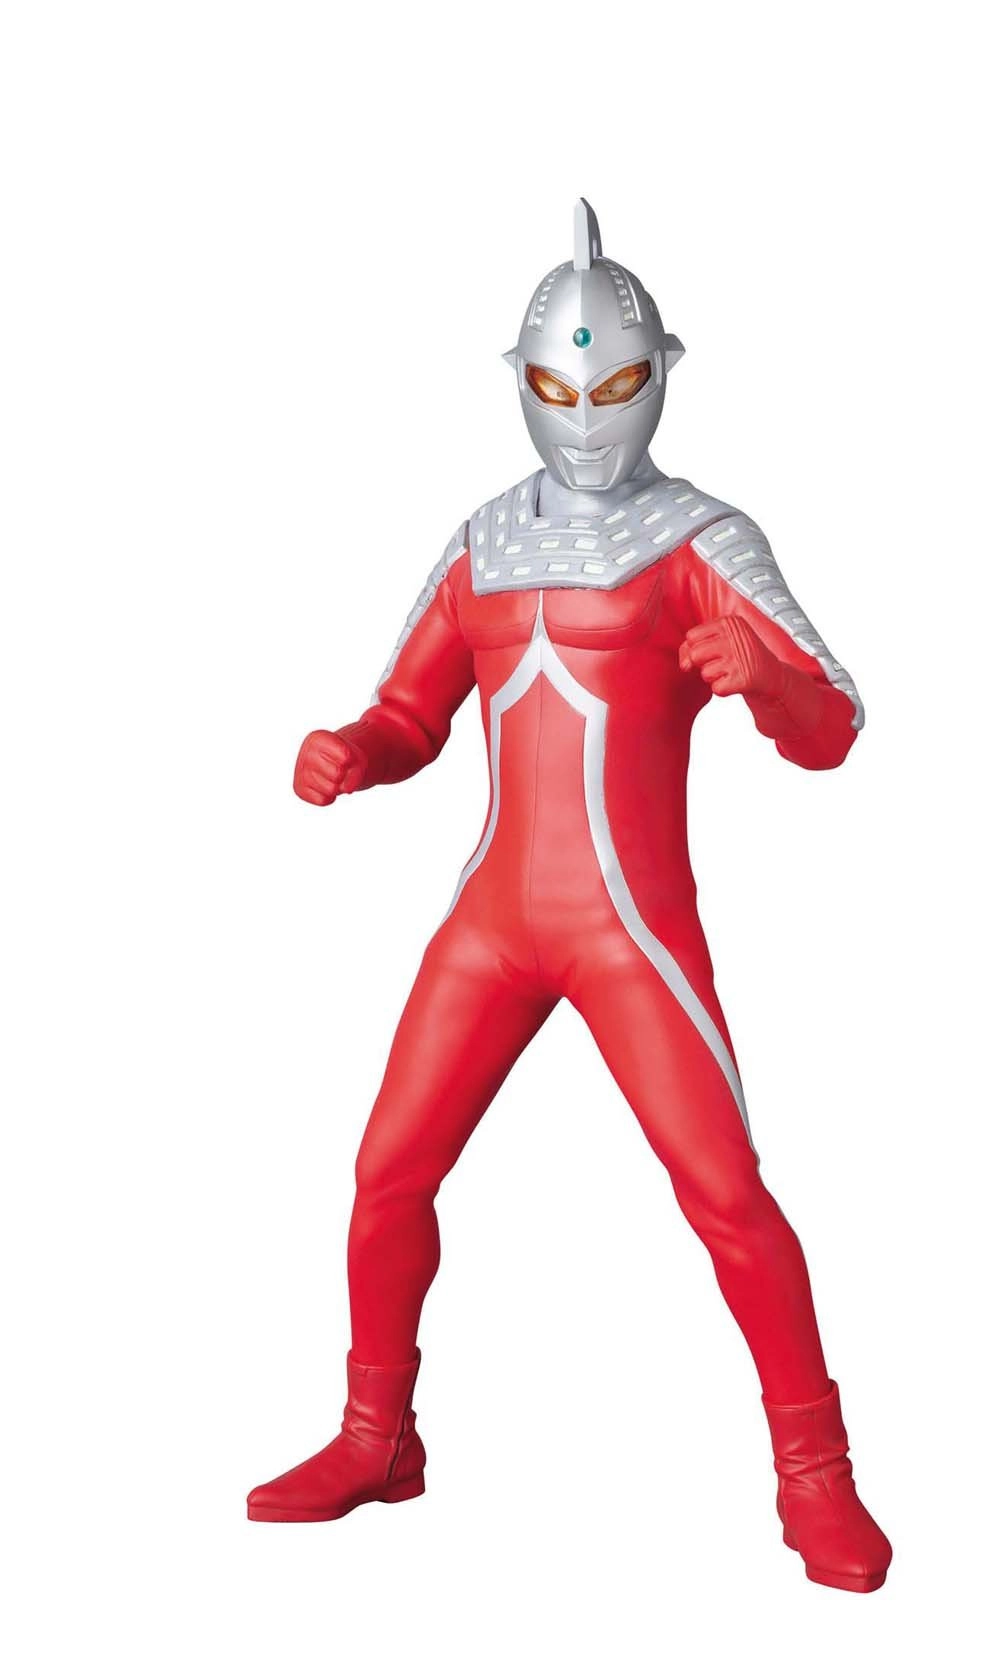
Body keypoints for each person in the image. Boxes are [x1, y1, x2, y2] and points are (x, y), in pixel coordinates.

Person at [248, 200, 891, 1593]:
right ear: (520, 383)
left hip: (627, 933)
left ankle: (816, 1472)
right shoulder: (484, 539)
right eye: (560, 389)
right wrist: (352, 750)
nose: (588, 418)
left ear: (663, 374)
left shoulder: (701, 537)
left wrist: (766, 682)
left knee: (725, 1195)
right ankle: (375, 1435)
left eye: (615, 386)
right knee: (385, 1173)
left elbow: (834, 720)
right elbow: (409, 712)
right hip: (494, 925)